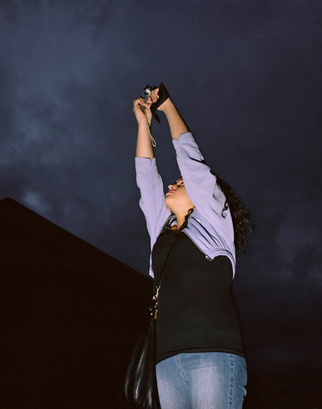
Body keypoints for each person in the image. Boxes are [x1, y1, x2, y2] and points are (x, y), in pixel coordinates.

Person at [133, 84, 253, 409]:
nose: (173, 182)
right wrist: (144, 124)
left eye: (180, 183)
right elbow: (147, 178)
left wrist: (167, 107)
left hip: (213, 354)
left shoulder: (214, 224)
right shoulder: (162, 229)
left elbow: (192, 162)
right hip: (166, 360)